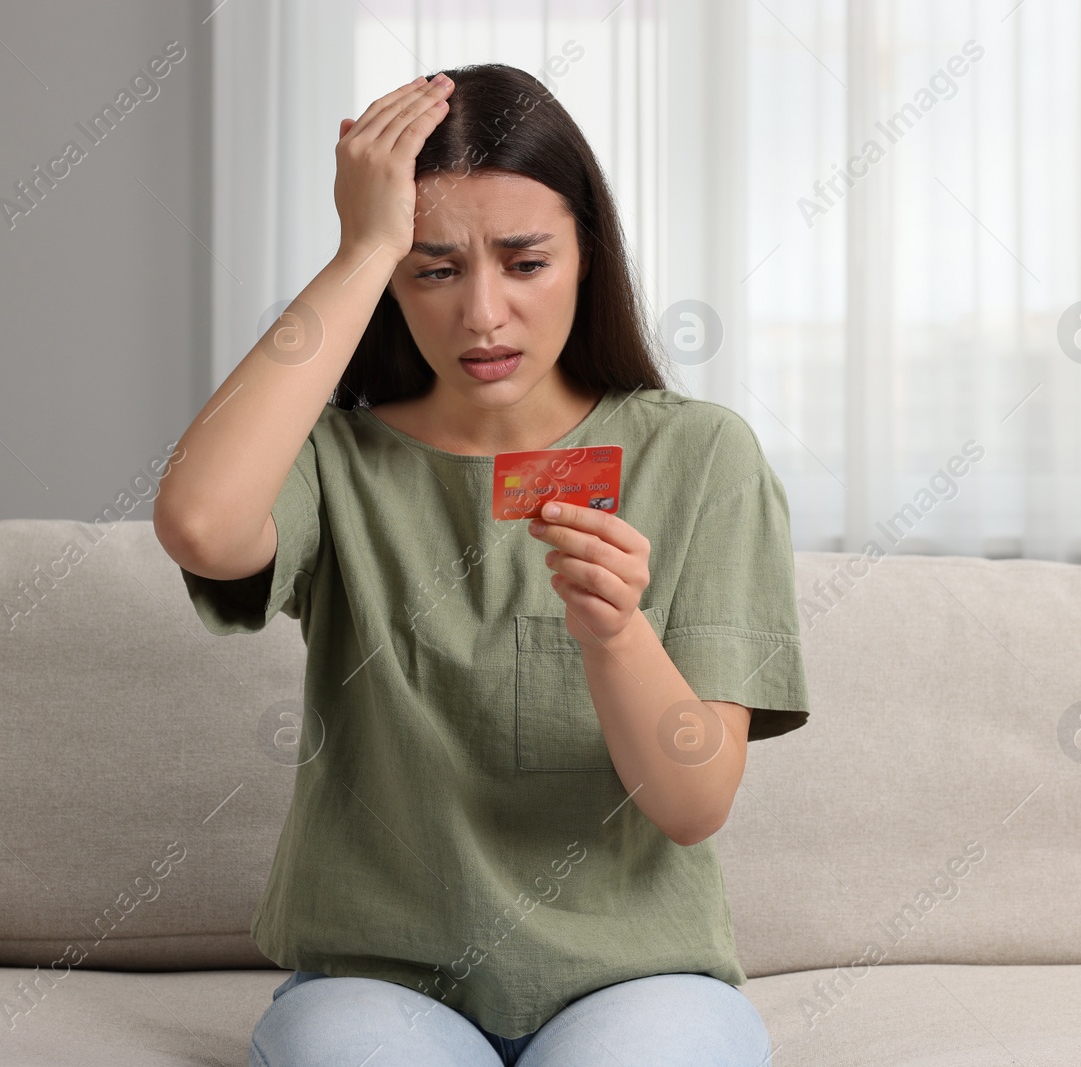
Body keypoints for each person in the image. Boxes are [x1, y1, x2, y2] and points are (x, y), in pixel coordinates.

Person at [156, 61, 808, 1067]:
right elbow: (201, 522)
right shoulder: (338, 459)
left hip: (636, 974)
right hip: (378, 980)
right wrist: (362, 242)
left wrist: (614, 636)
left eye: (524, 262)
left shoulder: (701, 456)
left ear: (587, 255)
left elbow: (691, 803)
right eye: (432, 268)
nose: (483, 315)